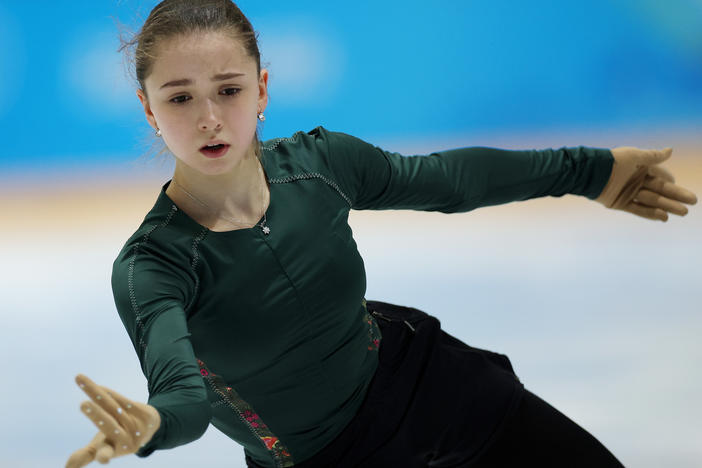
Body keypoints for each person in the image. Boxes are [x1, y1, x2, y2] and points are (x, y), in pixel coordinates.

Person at [65, 1, 698, 467]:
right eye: (179, 99)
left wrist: (591, 170)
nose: (208, 118)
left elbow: (448, 180)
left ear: (261, 90)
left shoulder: (318, 166)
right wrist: (152, 425)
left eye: (227, 89)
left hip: (430, 389)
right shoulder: (153, 266)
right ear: (149, 108)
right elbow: (182, 396)